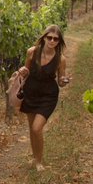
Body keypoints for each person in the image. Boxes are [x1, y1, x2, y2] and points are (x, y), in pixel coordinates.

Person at [18, 24, 69, 171]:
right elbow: (26, 71)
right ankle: (35, 159)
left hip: (48, 96)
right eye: (49, 37)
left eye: (56, 39)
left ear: (59, 42)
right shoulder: (32, 52)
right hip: (31, 93)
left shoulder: (61, 59)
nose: (52, 41)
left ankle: (39, 161)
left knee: (36, 128)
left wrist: (64, 81)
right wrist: (23, 70)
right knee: (31, 129)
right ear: (44, 37)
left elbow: (60, 81)